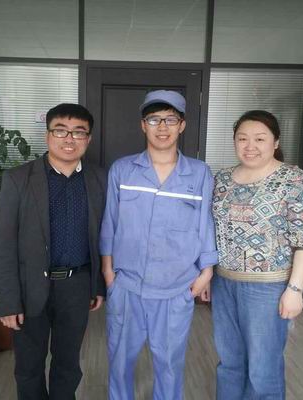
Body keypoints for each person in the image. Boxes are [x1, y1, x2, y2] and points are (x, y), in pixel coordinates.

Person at [100, 90, 218, 400]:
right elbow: (110, 222)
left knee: (169, 365)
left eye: (170, 119)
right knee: (119, 361)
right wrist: (109, 274)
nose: (162, 127)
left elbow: (205, 223)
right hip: (127, 285)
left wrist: (206, 272)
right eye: (154, 119)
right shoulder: (123, 170)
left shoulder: (199, 173)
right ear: (143, 125)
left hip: (176, 287)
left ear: (182, 125)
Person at [0, 103, 106, 400]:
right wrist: (7, 301)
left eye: (78, 132)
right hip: (29, 287)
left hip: (77, 285)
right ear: (47, 136)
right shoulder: (18, 179)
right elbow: (3, 245)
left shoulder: (99, 179)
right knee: (29, 366)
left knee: (68, 364)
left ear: (88, 139)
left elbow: (102, 238)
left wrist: (97, 285)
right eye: (61, 131)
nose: (69, 139)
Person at [211, 110, 303, 400]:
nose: (250, 146)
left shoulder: (293, 180)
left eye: (259, 139)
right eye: (242, 138)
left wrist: (295, 290)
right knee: (229, 363)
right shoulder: (222, 179)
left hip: (268, 288)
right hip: (224, 283)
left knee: (263, 369)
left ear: (275, 142)